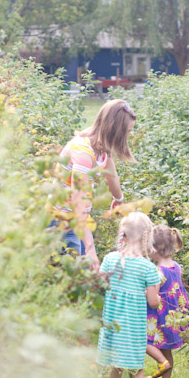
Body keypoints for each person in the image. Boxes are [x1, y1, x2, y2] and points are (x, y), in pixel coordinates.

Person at [53, 99, 136, 269]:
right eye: (127, 131)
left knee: (85, 273)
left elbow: (111, 175)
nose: (128, 136)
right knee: (76, 275)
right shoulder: (83, 152)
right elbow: (78, 203)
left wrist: (118, 199)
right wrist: (90, 250)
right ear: (115, 130)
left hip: (78, 218)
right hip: (61, 219)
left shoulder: (101, 145)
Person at [97, 212, 161, 378]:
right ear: (147, 236)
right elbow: (153, 301)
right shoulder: (148, 268)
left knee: (116, 367)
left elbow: (101, 285)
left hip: (112, 326)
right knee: (137, 371)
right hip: (133, 329)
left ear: (122, 234)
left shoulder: (109, 259)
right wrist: (156, 297)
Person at [145, 225, 189, 378]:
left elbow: (153, 295)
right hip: (173, 314)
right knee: (166, 348)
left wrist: (141, 291)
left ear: (155, 249)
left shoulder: (157, 271)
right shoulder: (176, 266)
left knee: (143, 340)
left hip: (160, 315)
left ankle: (162, 362)